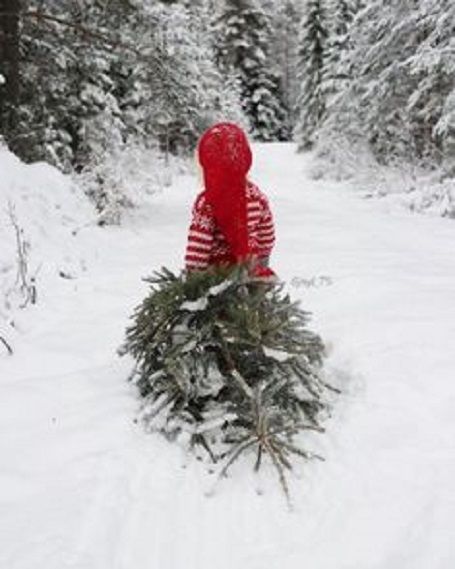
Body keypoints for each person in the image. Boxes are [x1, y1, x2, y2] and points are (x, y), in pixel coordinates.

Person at [184, 122, 277, 280]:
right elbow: (266, 234)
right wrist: (261, 262)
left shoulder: (207, 202)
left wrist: (192, 279)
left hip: (218, 278)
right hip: (249, 270)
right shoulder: (256, 196)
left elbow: (198, 246)